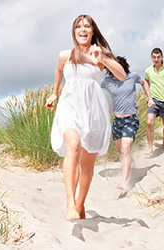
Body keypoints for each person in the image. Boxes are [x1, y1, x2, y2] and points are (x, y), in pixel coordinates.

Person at [45, 14, 126, 221]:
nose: (83, 29)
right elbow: (59, 70)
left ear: (92, 31)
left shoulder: (101, 53)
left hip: (93, 110)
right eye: (78, 26)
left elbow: (122, 76)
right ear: (74, 32)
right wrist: (54, 93)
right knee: (72, 145)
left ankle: (80, 204)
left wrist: (103, 59)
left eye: (87, 26)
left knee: (88, 163)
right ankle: (70, 202)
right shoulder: (66, 54)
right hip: (70, 105)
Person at [102, 56, 155, 190]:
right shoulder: (106, 81)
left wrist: (150, 98)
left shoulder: (132, 76)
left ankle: (125, 182)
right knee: (122, 151)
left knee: (125, 150)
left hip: (130, 120)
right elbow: (97, 92)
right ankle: (130, 162)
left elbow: (144, 83)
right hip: (116, 121)